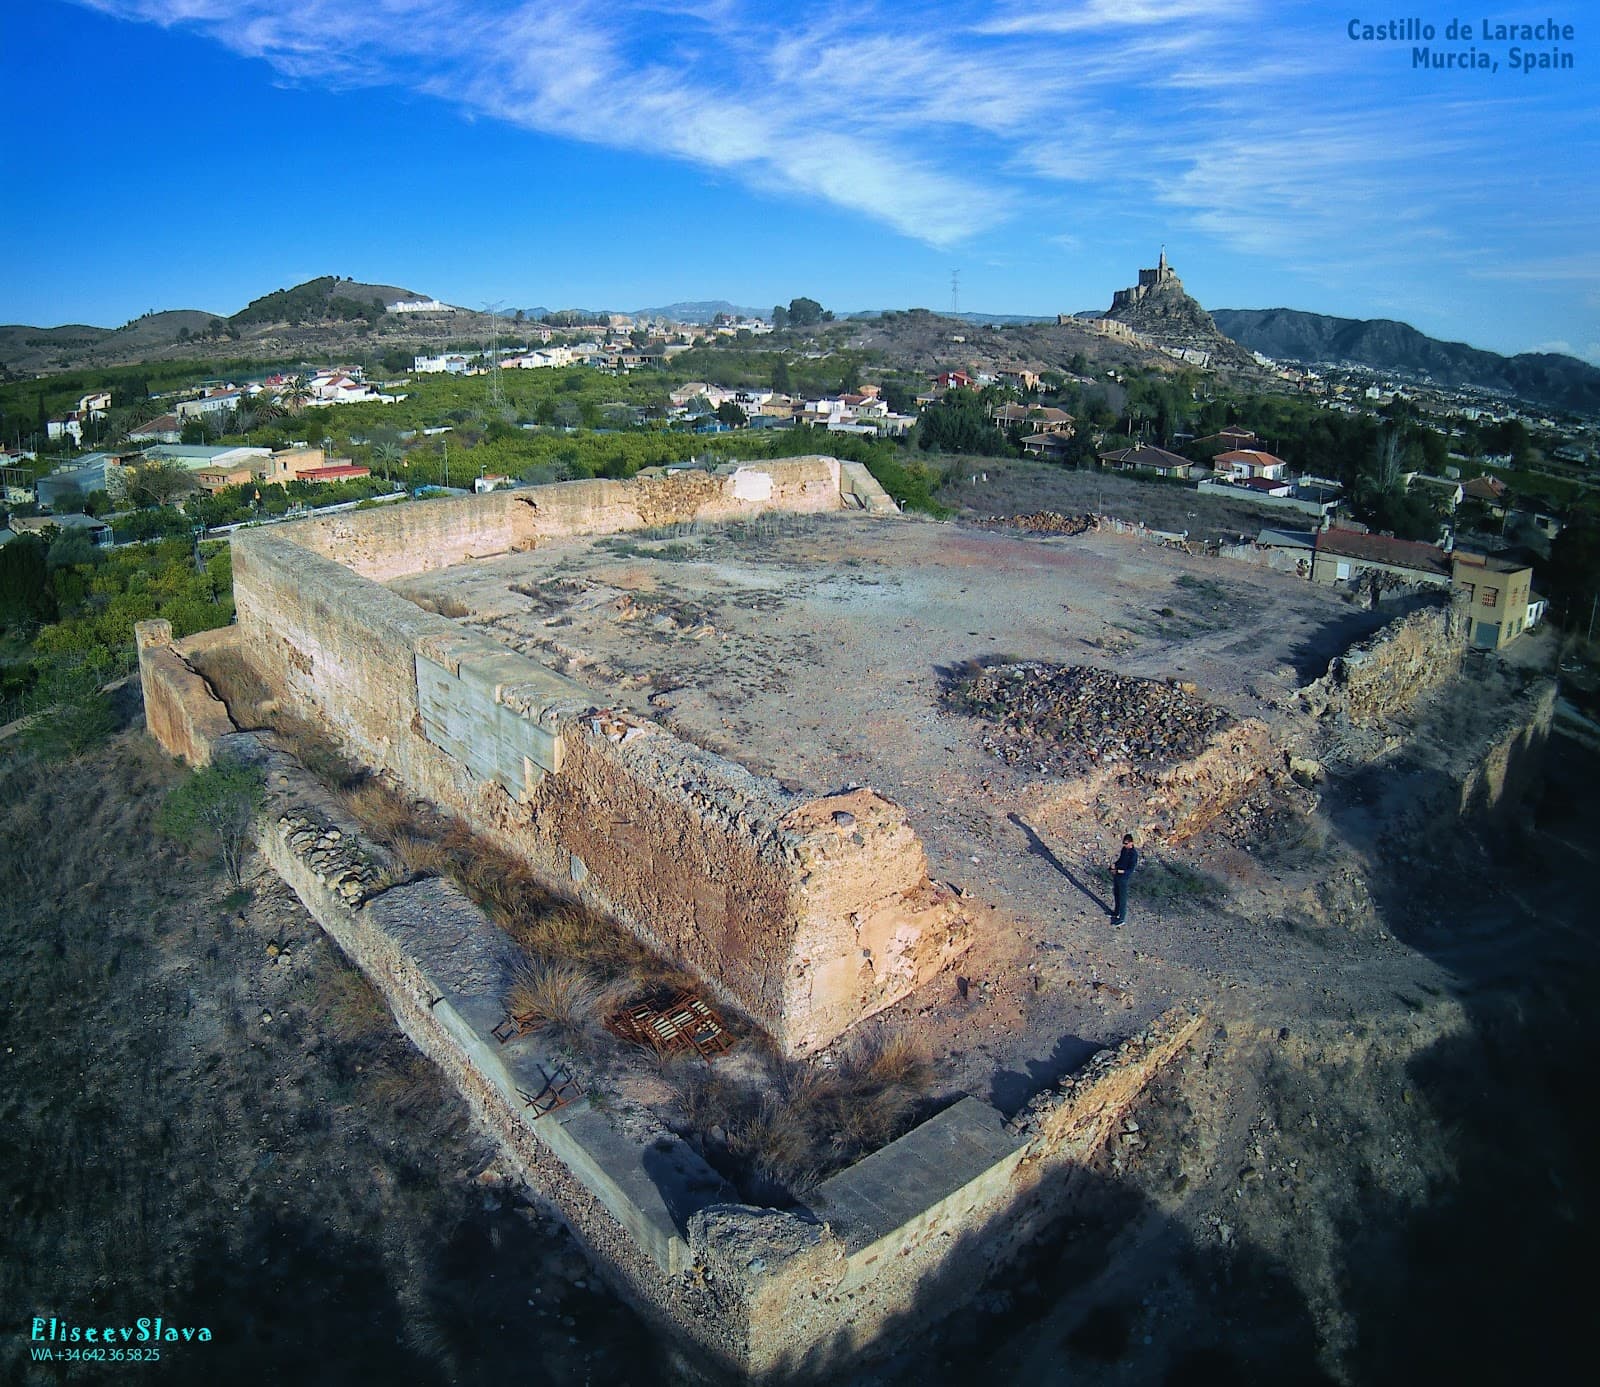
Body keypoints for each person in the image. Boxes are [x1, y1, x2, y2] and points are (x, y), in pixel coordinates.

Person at [1110, 833, 1139, 926]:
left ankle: (1122, 918)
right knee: (1116, 894)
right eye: (1124, 843)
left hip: (1124, 877)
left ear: (1131, 843)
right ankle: (1116, 912)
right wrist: (1115, 865)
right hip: (1117, 875)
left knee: (1122, 898)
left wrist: (1120, 871)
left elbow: (1130, 869)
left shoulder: (1133, 854)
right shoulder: (1124, 850)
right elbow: (1120, 860)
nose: (1125, 845)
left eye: (1127, 843)